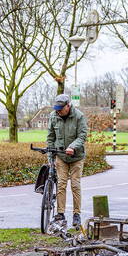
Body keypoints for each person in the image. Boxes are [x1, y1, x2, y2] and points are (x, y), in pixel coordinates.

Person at [46, 94, 88, 228]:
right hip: (61, 155)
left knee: (75, 185)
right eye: (56, 109)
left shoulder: (79, 116)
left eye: (60, 109)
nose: (58, 111)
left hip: (76, 157)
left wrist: (73, 146)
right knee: (61, 184)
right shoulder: (53, 116)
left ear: (68, 106)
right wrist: (50, 157)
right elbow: (50, 137)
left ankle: (76, 214)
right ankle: (60, 214)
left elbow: (82, 135)